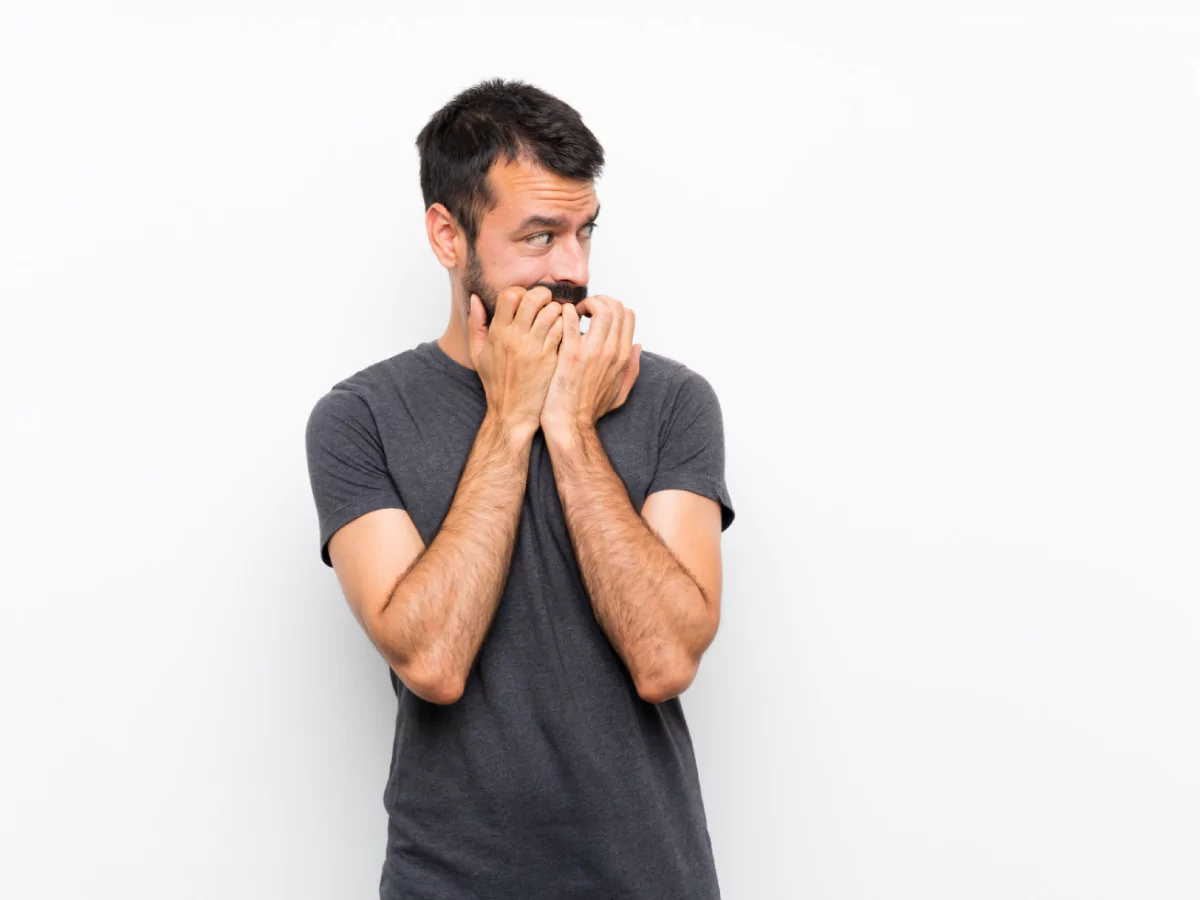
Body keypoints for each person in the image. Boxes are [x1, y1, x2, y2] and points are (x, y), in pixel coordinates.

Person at [305, 77, 735, 899]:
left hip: (650, 878)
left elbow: (666, 659)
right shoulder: (359, 420)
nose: (572, 270)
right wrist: (510, 420)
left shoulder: (674, 401)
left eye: (584, 233)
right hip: (450, 883)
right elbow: (432, 659)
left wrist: (570, 431)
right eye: (539, 237)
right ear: (447, 234)